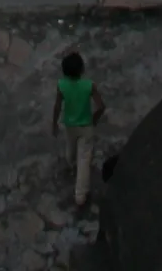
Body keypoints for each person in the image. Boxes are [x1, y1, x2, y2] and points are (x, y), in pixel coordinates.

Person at [52, 47, 99, 211]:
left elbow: (57, 107)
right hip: (86, 126)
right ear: (82, 69)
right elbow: (101, 106)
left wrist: (54, 124)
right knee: (84, 160)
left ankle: (70, 163)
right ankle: (80, 195)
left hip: (70, 126)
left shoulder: (61, 85)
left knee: (70, 148)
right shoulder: (89, 85)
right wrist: (95, 119)